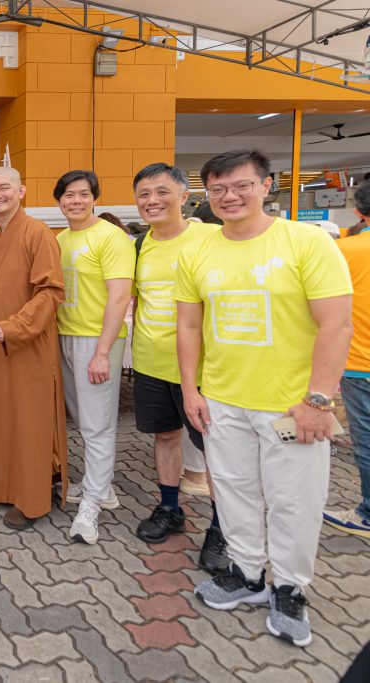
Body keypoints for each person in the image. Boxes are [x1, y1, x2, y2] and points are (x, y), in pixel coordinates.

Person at [177, 149, 352, 647]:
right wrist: (191, 390)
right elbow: (189, 326)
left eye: (241, 186)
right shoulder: (199, 251)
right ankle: (248, 574)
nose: (229, 196)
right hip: (222, 399)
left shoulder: (306, 242)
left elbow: (336, 325)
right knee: (234, 491)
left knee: (294, 499)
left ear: (266, 185)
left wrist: (318, 401)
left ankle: (290, 588)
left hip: (291, 405)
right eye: (218, 189)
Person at [129, 163, 228, 572]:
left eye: (162, 192)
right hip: (151, 361)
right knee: (165, 436)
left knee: (216, 449)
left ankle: (222, 528)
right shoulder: (139, 245)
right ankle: (170, 508)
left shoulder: (212, 238)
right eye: (144, 194)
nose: (152, 201)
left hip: (204, 369)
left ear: (184, 197)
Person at [0, 167, 66, 529]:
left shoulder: (38, 233)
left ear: (21, 191)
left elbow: (51, 292)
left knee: (29, 420)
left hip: (28, 343)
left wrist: (13, 328)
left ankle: (33, 498)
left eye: (4, 188)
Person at [54, 170, 135, 545]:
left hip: (97, 340)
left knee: (97, 425)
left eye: (83, 194)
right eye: (68, 195)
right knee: (83, 419)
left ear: (95, 198)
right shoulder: (61, 239)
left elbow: (120, 296)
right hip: (65, 335)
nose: (76, 201)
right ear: (59, 201)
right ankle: (101, 486)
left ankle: (91, 507)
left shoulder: (111, 237)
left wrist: (103, 352)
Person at [323, 179, 370, 538]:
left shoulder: (345, 250)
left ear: (357, 210)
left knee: (366, 440)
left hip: (360, 360)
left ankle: (367, 514)